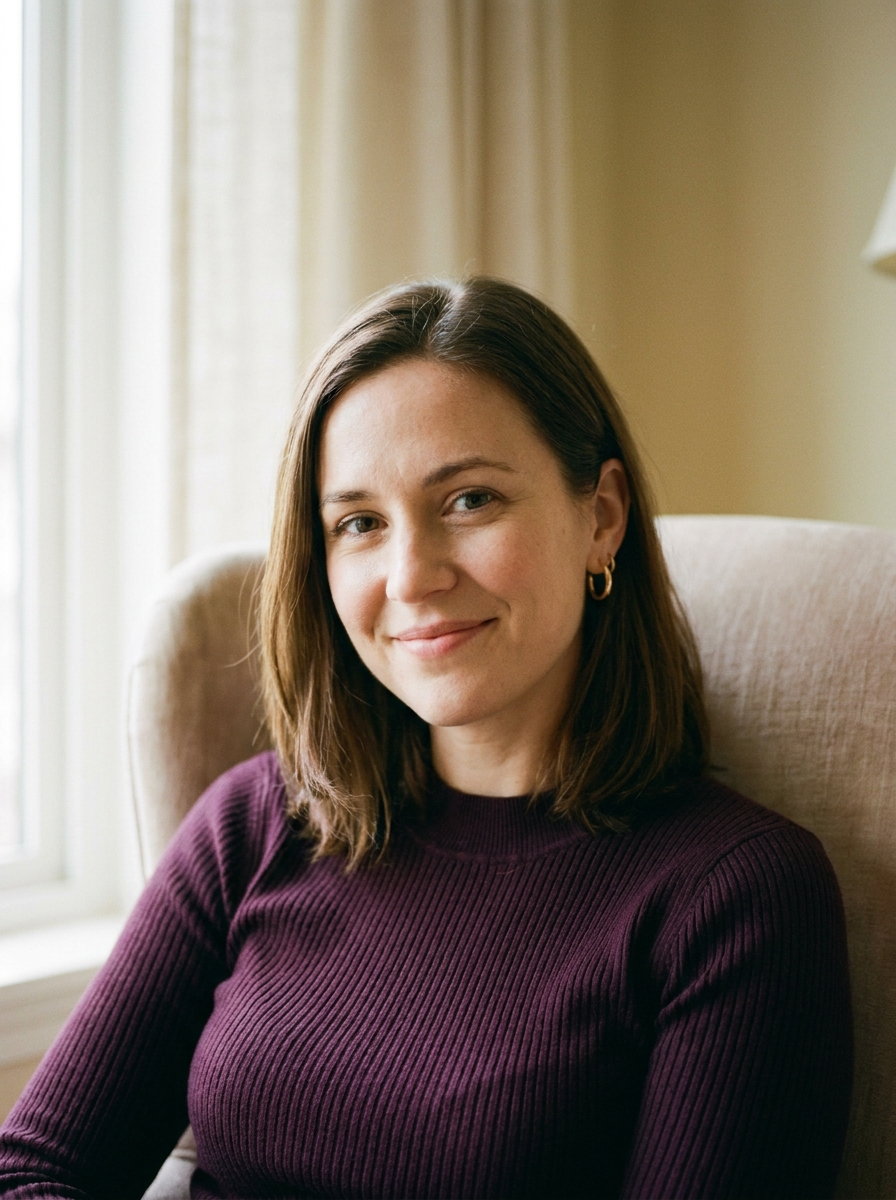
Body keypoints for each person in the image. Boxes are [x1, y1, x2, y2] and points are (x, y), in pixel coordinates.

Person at [0, 278, 851, 1199]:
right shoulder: (254, 823)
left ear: (600, 517)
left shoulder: (736, 896)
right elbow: (38, 1171)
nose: (411, 577)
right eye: (359, 523)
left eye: (470, 500)